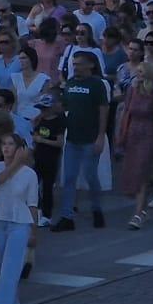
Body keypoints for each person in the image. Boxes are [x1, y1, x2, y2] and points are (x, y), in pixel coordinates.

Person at [0, 135, 41, 304]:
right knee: (2, 269)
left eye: (11, 144)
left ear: (19, 148)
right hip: (0, 221)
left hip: (20, 223)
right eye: (4, 144)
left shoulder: (30, 175)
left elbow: (33, 204)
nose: (7, 147)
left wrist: (34, 232)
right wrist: (16, 163)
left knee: (10, 270)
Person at [52, 51, 110, 231]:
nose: (75, 67)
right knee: (69, 178)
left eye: (79, 64)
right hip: (73, 138)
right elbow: (65, 106)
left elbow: (103, 110)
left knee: (90, 176)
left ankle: (96, 209)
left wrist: (101, 136)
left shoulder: (97, 84)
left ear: (90, 65)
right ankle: (66, 217)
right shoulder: (70, 84)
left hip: (90, 139)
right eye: (74, 64)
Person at [116, 56, 153, 230]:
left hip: (147, 131)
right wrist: (122, 133)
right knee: (133, 171)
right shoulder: (132, 90)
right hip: (133, 131)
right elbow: (126, 112)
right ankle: (141, 209)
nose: (138, 74)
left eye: (142, 72)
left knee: (142, 172)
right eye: (138, 72)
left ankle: (137, 213)